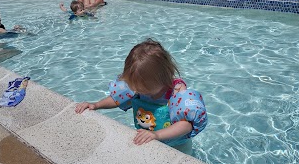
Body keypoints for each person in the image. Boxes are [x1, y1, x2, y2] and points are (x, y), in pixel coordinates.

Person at [75, 39, 207, 154]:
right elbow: (117, 100)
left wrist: (157, 135)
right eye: (134, 88)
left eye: (145, 89)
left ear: (163, 77)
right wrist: (96, 105)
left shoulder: (176, 91)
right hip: (149, 137)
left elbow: (186, 125)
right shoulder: (139, 86)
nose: (138, 91)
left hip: (177, 145)